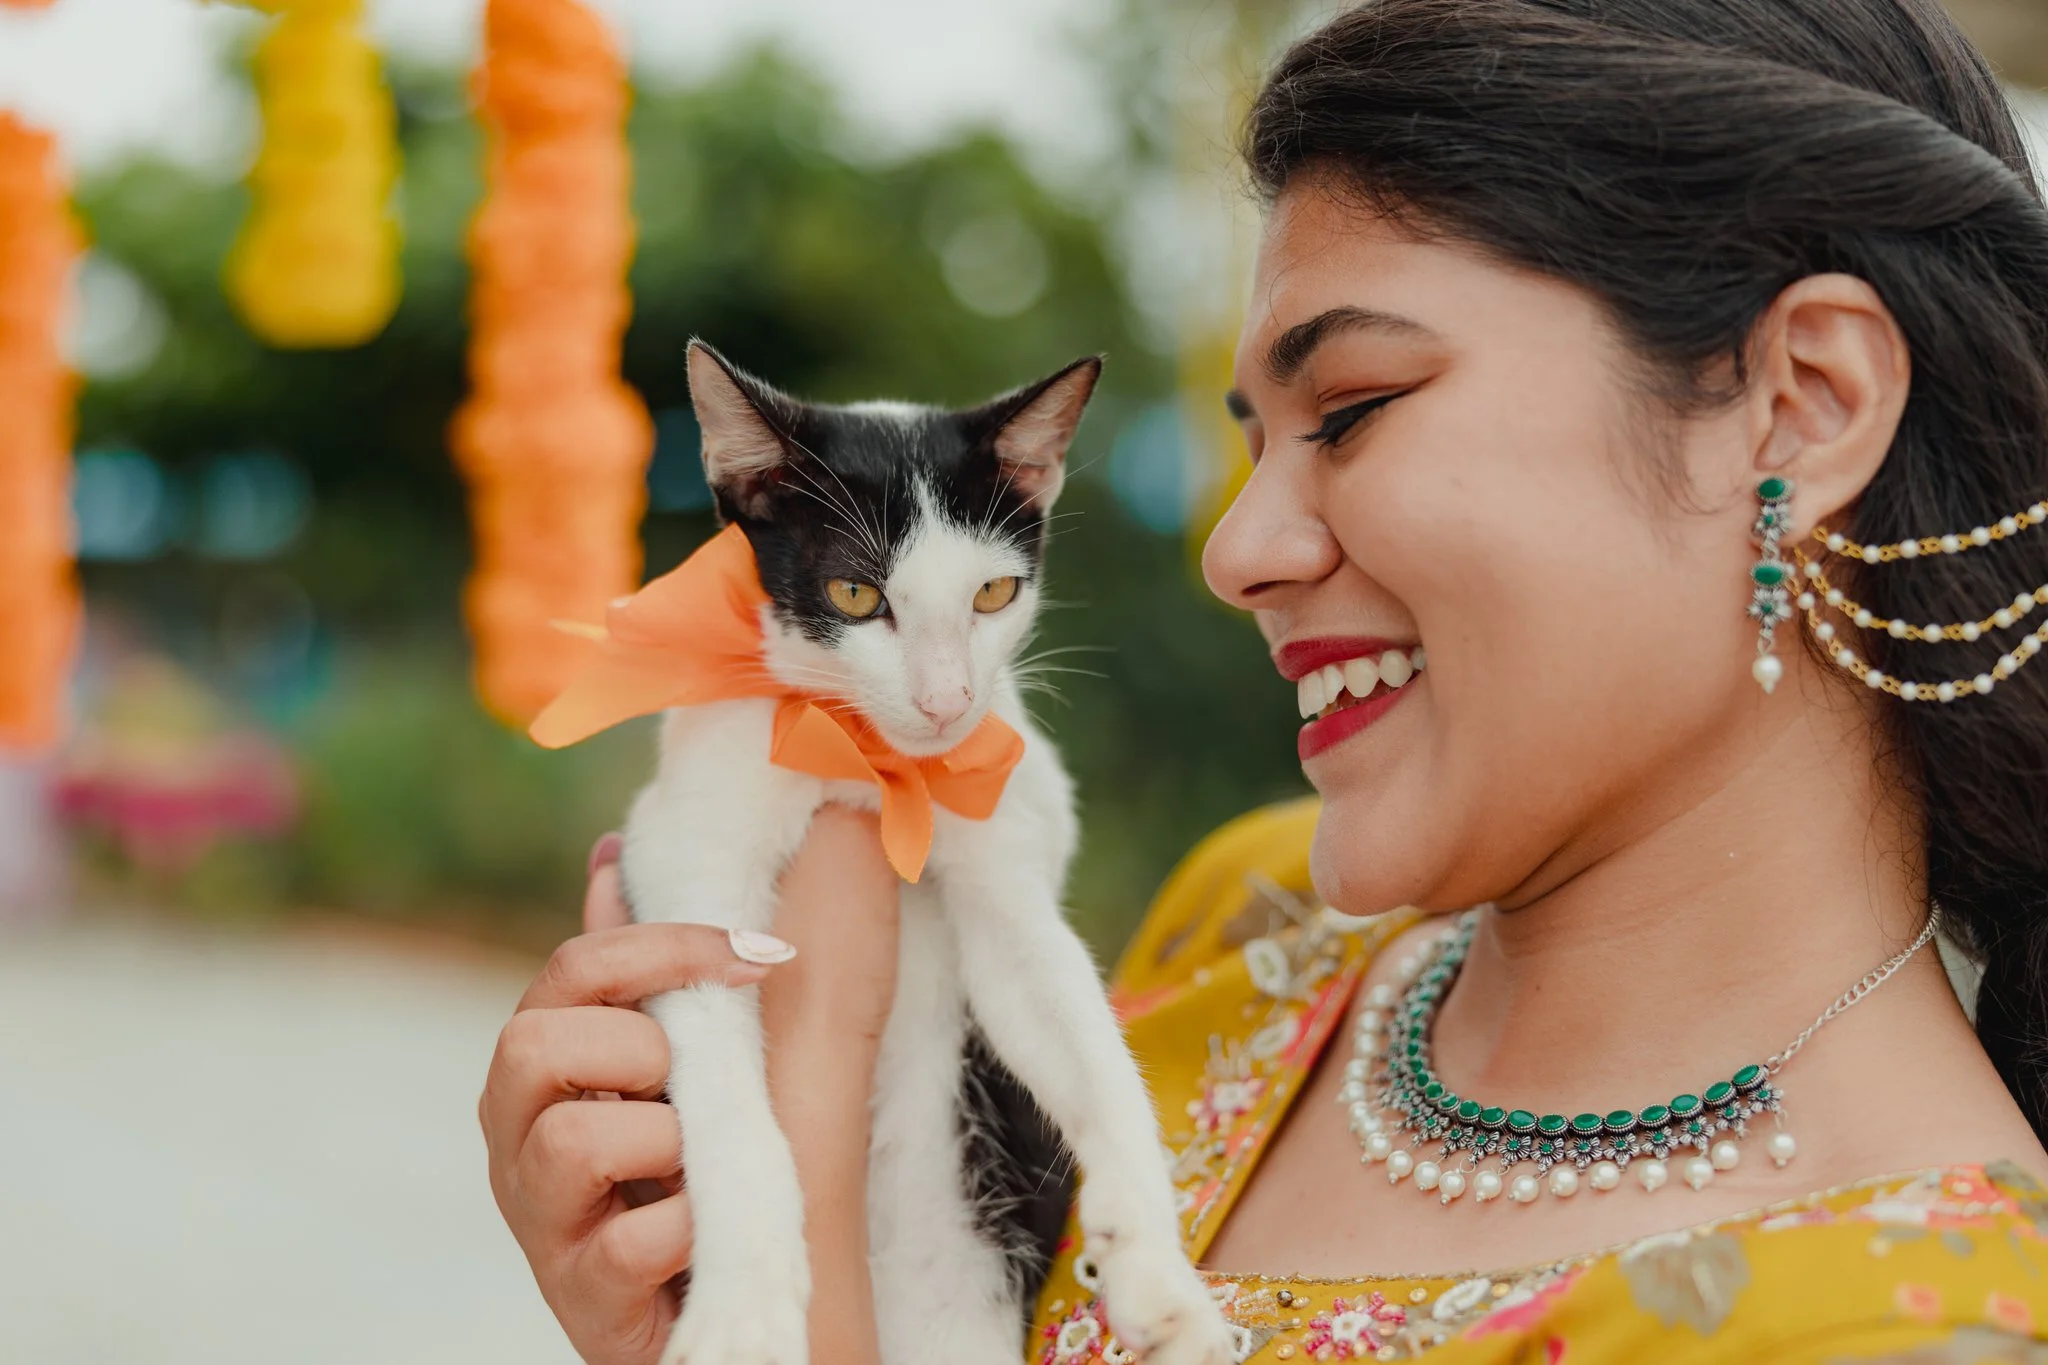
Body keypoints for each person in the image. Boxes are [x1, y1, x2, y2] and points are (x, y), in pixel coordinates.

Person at [479, 1, 2048, 1359]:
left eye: (1354, 407)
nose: (1239, 552)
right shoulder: (1259, 915)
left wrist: (805, 1195)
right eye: (1251, 442)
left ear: (1801, 407)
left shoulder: (1923, 1323)